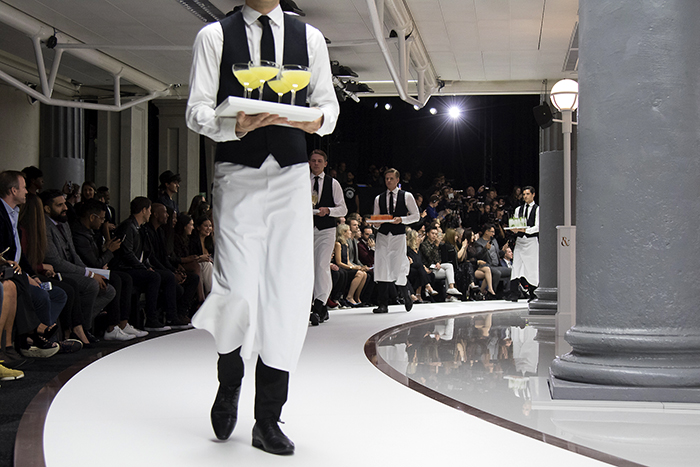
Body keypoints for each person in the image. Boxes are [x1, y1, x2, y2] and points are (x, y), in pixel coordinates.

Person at [185, 0, 339, 455]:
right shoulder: (215, 35)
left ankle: (268, 417)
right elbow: (196, 110)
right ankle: (230, 377)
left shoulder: (309, 38)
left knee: (288, 293)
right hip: (237, 174)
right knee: (235, 289)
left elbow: (328, 108)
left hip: (291, 177)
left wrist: (309, 119)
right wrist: (232, 125)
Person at [40, 189, 116, 334]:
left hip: (73, 269)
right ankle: (83, 329)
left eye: (65, 203)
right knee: (91, 285)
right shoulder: (44, 226)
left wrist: (90, 272)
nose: (66, 208)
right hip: (57, 272)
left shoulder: (64, 223)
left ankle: (79, 323)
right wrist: (90, 274)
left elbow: (73, 254)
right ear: (47, 209)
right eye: (60, 205)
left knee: (109, 289)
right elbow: (55, 261)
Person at [71, 199, 147, 340]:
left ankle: (123, 323)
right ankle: (112, 327)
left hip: (96, 268)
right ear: (92, 217)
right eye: (101, 218)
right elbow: (93, 262)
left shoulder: (90, 232)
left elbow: (95, 258)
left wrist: (105, 249)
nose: (103, 222)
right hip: (87, 271)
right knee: (116, 279)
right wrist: (109, 251)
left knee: (126, 278)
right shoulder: (79, 235)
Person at [372, 168, 420, 313]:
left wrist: (402, 220)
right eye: (386, 178)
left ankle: (406, 295)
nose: (388, 181)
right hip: (382, 235)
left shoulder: (406, 196)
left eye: (391, 178)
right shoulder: (379, 198)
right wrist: (376, 224)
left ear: (397, 180)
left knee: (398, 266)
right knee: (381, 267)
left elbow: (416, 216)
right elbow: (375, 218)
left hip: (398, 236)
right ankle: (383, 304)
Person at [309, 149, 346, 325]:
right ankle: (320, 307)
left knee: (322, 265)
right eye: (313, 160)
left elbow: (343, 209)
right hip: (306, 229)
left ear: (325, 164)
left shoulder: (333, 183)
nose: (316, 163)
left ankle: (319, 305)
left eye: (319, 161)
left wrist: (329, 210)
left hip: (326, 229)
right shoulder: (303, 181)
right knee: (309, 267)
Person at [508, 186, 539, 302]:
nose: (525, 196)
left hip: (531, 241)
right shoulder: (518, 209)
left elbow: (538, 226)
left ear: (533, 194)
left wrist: (526, 230)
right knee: (516, 266)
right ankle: (514, 293)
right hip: (520, 241)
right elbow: (516, 224)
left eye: (527, 194)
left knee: (532, 267)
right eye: (524, 194)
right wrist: (515, 229)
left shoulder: (538, 209)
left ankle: (533, 293)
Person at [476, 223, 512, 298]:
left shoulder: (494, 241)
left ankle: (507, 292)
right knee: (497, 273)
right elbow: (478, 256)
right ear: (486, 232)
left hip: (497, 265)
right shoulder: (479, 243)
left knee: (511, 271)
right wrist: (485, 249)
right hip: (487, 266)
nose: (493, 234)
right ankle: (492, 293)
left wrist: (503, 250)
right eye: (492, 232)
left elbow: (498, 254)